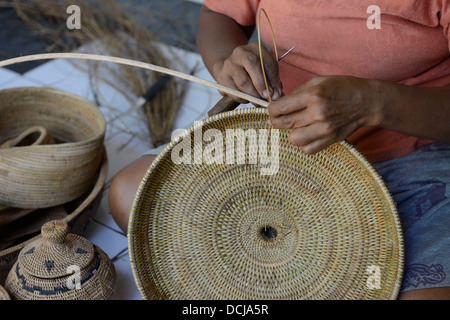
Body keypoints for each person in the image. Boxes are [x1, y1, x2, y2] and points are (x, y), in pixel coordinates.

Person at [108, 0, 450, 300]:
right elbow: (217, 14)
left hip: (410, 156)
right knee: (131, 197)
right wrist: (228, 63)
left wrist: (374, 103)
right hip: (279, 140)